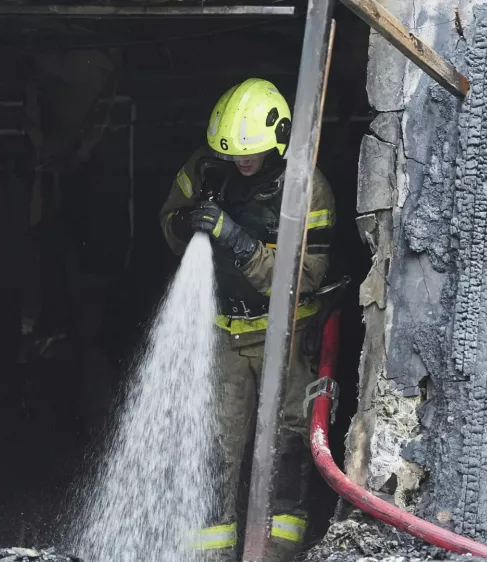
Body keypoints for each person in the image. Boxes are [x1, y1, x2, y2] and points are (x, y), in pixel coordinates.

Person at [159, 77, 335, 562]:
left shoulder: (306, 188)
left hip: (285, 334)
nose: (241, 163)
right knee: (214, 449)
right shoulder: (203, 168)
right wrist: (186, 222)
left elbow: (307, 276)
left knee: (286, 449)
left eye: (250, 154)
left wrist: (236, 241)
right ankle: (210, 553)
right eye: (232, 153)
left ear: (277, 138)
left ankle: (278, 554)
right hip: (221, 331)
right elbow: (168, 221)